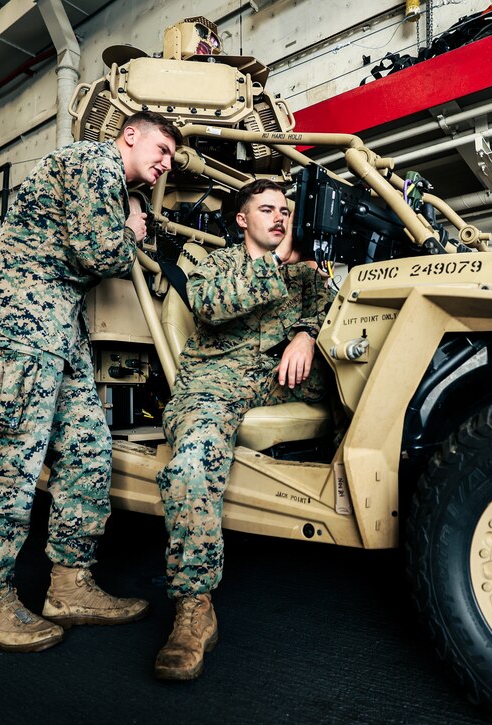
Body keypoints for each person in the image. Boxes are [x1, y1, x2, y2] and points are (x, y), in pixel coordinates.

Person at [0, 111, 183, 653]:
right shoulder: (93, 161)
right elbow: (99, 252)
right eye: (162, 149)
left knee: (88, 448)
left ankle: (69, 586)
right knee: (7, 461)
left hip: (60, 328)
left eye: (172, 157)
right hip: (19, 321)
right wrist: (131, 230)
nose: (166, 163)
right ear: (130, 135)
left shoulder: (110, 182)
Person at [153, 179, 332, 680]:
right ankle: (194, 607)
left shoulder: (305, 274)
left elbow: (328, 310)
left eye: (285, 210)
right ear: (242, 220)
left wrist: (306, 335)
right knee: (191, 468)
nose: (280, 217)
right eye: (267, 209)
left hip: (277, 379)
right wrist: (276, 264)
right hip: (216, 380)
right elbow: (209, 305)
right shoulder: (216, 265)